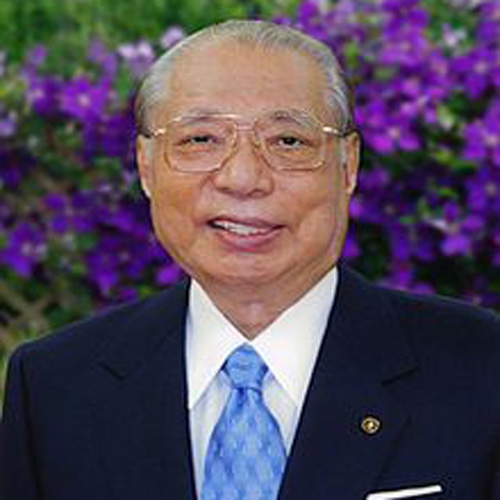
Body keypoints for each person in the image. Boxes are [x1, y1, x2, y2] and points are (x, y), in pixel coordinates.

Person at [1, 19, 499, 500]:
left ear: (348, 166)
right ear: (146, 166)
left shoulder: (482, 369)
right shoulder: (54, 388)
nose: (242, 178)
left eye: (288, 141)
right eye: (200, 139)